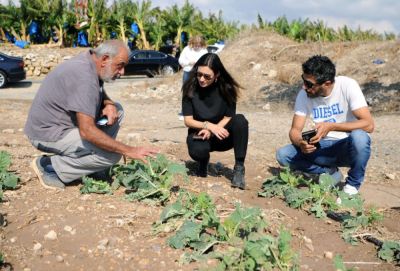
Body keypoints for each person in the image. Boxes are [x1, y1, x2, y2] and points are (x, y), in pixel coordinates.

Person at [24, 40, 158, 190]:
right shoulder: (84, 77)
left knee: (117, 111)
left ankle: (92, 164)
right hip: (47, 133)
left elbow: (96, 89)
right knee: (112, 156)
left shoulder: (90, 60)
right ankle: (50, 167)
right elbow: (87, 131)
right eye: (120, 65)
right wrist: (129, 150)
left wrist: (108, 103)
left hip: (64, 125)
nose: (122, 72)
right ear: (105, 59)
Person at [276, 55, 374, 195]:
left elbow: (369, 125)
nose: (304, 87)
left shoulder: (347, 85)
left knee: (360, 136)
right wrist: (301, 143)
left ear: (327, 83)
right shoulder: (303, 95)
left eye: (309, 84)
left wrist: (332, 126)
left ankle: (351, 187)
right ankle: (330, 172)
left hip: (346, 147)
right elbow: (294, 130)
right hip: (321, 148)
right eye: (303, 80)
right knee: (283, 155)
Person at [182, 53, 249, 189]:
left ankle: (239, 168)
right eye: (199, 74)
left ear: (217, 75)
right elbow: (188, 120)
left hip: (221, 135)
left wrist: (214, 129)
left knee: (240, 121)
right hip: (200, 135)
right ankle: (203, 161)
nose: (201, 79)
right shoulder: (190, 88)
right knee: (197, 151)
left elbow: (229, 117)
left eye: (207, 76)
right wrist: (208, 127)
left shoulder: (227, 89)